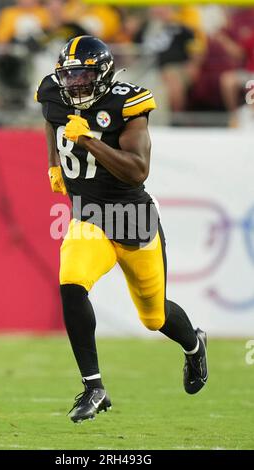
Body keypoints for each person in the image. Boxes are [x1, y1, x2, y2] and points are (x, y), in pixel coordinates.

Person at [35, 35, 208, 423]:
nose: (76, 83)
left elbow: (138, 169)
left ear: (104, 74)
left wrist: (89, 143)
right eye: (71, 75)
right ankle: (94, 386)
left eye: (84, 75)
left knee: (154, 316)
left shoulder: (127, 103)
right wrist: (53, 163)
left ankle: (194, 345)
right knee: (71, 282)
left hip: (133, 218)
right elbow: (51, 119)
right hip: (88, 216)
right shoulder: (52, 91)